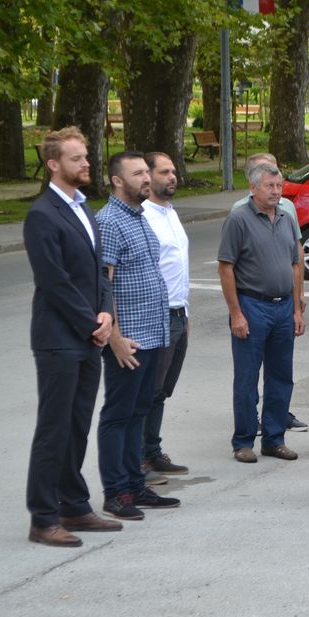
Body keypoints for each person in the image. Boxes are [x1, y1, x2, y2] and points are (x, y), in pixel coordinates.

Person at [23, 127, 121, 547]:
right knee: (54, 429)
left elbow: (99, 272)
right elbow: (54, 281)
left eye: (86, 156)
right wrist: (91, 323)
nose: (86, 163)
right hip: (59, 339)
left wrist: (107, 314)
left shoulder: (83, 208)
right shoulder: (42, 215)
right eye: (76, 158)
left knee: (77, 425)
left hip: (88, 335)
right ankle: (43, 518)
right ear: (53, 164)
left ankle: (74, 506)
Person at [96, 152, 179, 520]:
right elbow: (103, 285)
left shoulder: (140, 216)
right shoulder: (109, 221)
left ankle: (135, 485)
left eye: (147, 172)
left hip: (152, 334)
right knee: (118, 415)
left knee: (138, 413)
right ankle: (116, 493)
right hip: (128, 341)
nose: (147, 179)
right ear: (117, 180)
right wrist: (114, 337)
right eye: (138, 174)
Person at [218, 162, 305, 464]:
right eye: (270, 186)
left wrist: (297, 309)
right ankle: (243, 441)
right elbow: (226, 268)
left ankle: (274, 439)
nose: (276, 191)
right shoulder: (239, 219)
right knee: (247, 378)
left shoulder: (286, 217)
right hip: (252, 305)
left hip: (283, 307)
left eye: (279, 186)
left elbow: (295, 264)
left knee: (281, 377)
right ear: (253, 188)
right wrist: (236, 313)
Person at [139, 152, 190, 484]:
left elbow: (177, 267)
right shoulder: (144, 216)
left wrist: (186, 313)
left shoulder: (170, 212)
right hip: (157, 316)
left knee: (161, 391)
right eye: (164, 172)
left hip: (179, 315)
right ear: (148, 176)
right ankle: (138, 459)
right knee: (147, 391)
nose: (172, 177)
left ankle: (152, 450)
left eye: (173, 171)